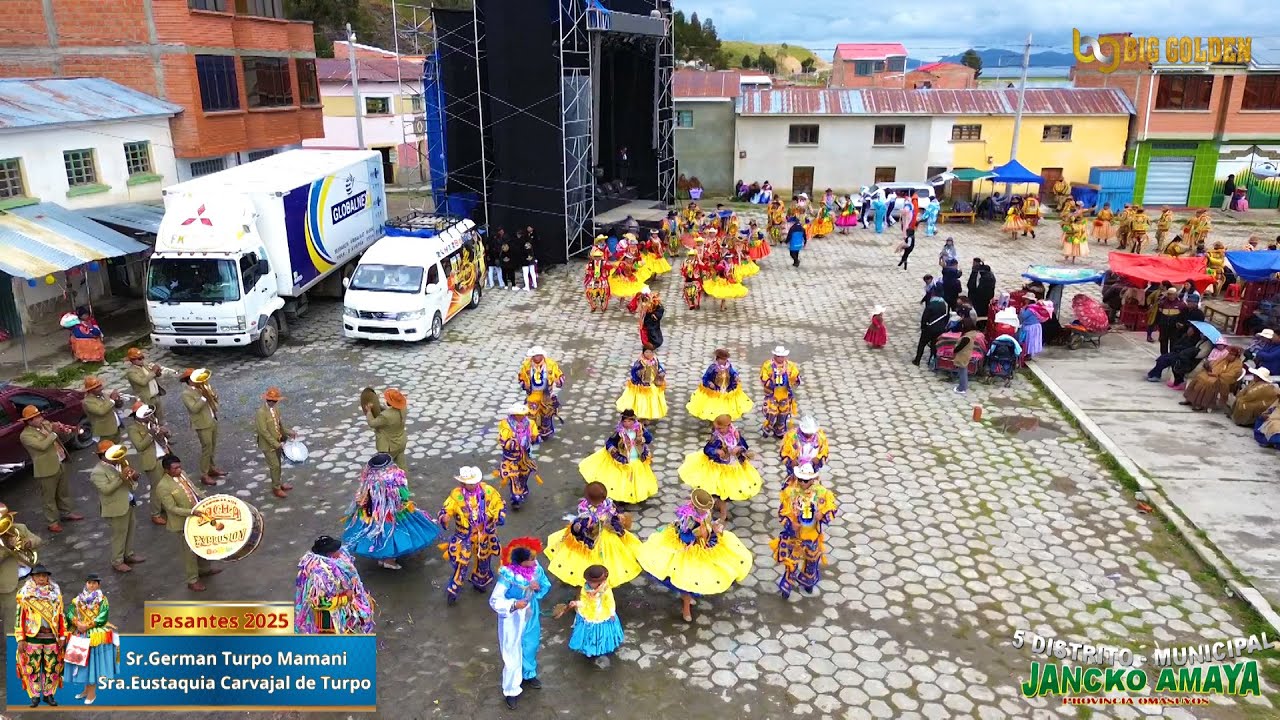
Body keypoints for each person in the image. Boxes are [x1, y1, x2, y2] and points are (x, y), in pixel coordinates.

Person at [637, 489, 753, 622]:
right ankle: (686, 607)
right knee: (687, 577)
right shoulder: (689, 518)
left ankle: (687, 596)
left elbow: (708, 524)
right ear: (696, 506)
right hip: (688, 549)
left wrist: (714, 528)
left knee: (696, 577)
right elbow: (684, 534)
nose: (706, 510)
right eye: (703, 508)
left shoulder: (706, 513)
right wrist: (695, 535)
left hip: (704, 545)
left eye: (707, 508)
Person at [342, 453, 440, 571]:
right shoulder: (393, 477)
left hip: (371, 511)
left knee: (378, 533)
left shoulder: (369, 476)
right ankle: (389, 560)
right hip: (391, 511)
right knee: (391, 534)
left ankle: (382, 558)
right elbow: (402, 495)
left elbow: (363, 493)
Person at [490, 537, 551, 709]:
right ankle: (511, 690)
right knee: (511, 653)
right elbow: (494, 600)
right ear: (519, 560)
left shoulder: (536, 568)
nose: (534, 561)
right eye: (530, 559)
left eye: (534, 557)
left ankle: (528, 673)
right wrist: (514, 605)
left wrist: (538, 587)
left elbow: (545, 584)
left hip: (531, 613)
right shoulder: (507, 577)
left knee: (530, 645)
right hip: (512, 619)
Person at [545, 482, 642, 587]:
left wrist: (616, 518)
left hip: (604, 534)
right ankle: (597, 573)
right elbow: (583, 525)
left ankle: (601, 573)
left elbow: (613, 513)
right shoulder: (590, 508)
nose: (600, 503)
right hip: (594, 536)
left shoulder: (603, 504)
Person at [770, 463, 838, 599]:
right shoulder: (790, 492)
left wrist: (822, 514)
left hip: (812, 535)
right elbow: (782, 513)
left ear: (812, 479)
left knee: (812, 560)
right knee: (792, 561)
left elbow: (832, 508)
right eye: (800, 479)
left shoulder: (822, 492)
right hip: (795, 536)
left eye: (805, 480)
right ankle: (787, 587)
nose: (802, 483)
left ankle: (808, 582)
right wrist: (791, 523)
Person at [155, 454, 221, 591]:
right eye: (175, 468)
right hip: (183, 522)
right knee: (189, 552)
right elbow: (172, 508)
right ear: (166, 470)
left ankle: (204, 569)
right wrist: (192, 512)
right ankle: (192, 580)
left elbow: (193, 490)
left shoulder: (183, 474)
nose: (179, 470)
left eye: (179, 467)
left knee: (202, 544)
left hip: (197, 517)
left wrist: (206, 500)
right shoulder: (163, 486)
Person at [294, 535, 377, 634]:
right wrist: (346, 597)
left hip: (343, 613)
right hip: (328, 619)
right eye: (336, 549)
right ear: (329, 553)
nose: (340, 551)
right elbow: (318, 602)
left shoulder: (336, 564)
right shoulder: (320, 575)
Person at [19, 406, 82, 533]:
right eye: (36, 417)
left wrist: (66, 429)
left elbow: (57, 432)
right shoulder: (25, 435)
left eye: (39, 415)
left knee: (63, 492)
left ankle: (66, 513)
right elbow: (42, 446)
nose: (41, 418)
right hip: (45, 469)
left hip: (59, 461)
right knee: (49, 498)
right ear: (29, 421)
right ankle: (52, 522)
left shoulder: (45, 424)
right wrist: (54, 433)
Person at [577, 409, 658, 504]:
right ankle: (622, 495)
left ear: (634, 421)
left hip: (637, 456)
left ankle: (636, 493)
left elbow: (649, 439)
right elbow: (610, 442)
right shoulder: (619, 432)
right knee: (623, 479)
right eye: (625, 421)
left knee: (636, 478)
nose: (627, 424)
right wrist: (612, 449)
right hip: (624, 457)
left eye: (629, 421)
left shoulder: (640, 429)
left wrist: (642, 439)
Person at [679, 413, 762, 503]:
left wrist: (739, 448)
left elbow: (744, 444)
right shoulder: (716, 436)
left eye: (721, 428)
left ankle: (722, 503)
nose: (718, 430)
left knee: (729, 487)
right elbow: (707, 449)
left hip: (733, 465)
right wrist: (716, 451)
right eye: (717, 428)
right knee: (718, 487)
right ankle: (720, 506)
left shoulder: (735, 434)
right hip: (718, 466)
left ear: (728, 426)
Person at [15, 564, 66, 707]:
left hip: (52, 637)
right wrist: (21, 638)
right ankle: (35, 696)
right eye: (38, 576)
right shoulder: (25, 594)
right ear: (33, 577)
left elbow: (61, 616)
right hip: (32, 637)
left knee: (52, 667)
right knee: (32, 667)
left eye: (44, 576)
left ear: (48, 577)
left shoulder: (55, 594)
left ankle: (48, 695)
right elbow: (19, 617)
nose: (42, 578)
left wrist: (62, 636)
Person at [62, 573, 116, 705]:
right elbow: (70, 613)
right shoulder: (77, 600)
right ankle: (86, 690)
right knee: (82, 664)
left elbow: (103, 616)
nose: (91, 585)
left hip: (94, 636)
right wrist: (77, 623)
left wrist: (87, 625)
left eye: (94, 583)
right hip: (80, 634)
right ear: (86, 584)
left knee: (92, 665)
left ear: (98, 585)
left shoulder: (102, 600)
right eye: (89, 583)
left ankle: (92, 693)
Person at [90, 441, 143, 573]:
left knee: (130, 529)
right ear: (102, 455)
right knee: (119, 535)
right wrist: (121, 477)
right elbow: (106, 490)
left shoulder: (120, 463)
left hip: (128, 502)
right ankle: (117, 561)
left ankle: (128, 554)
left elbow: (130, 482)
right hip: (115, 507)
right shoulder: (97, 472)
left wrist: (134, 478)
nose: (116, 456)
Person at [565, 564, 624, 665]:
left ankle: (601, 648)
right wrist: (576, 603)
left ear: (599, 582)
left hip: (602, 614)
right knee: (589, 634)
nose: (589, 583)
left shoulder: (606, 590)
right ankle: (590, 649)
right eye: (588, 581)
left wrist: (611, 613)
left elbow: (610, 602)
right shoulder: (585, 589)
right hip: (588, 613)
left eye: (591, 582)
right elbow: (585, 602)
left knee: (602, 633)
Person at [127, 403, 169, 526]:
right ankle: (155, 514)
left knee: (166, 485)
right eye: (145, 414)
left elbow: (165, 437)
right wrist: (150, 434)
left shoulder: (152, 421)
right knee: (157, 488)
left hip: (164, 455)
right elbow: (140, 446)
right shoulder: (133, 429)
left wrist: (165, 432)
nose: (149, 416)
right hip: (152, 461)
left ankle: (164, 506)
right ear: (137, 416)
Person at [181, 368, 224, 486]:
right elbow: (194, 409)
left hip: (212, 419)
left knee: (212, 446)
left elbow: (215, 399)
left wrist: (212, 394)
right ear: (189, 380)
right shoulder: (186, 394)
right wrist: (204, 397)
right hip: (202, 424)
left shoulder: (203, 387)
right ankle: (204, 474)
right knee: (206, 448)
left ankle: (211, 468)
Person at [687, 348, 754, 422]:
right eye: (722, 359)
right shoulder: (713, 368)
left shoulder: (728, 366)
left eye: (725, 359)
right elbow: (705, 378)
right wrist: (709, 383)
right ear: (718, 359)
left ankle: (725, 415)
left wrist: (735, 376)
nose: (724, 361)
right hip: (716, 390)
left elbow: (732, 372)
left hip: (726, 388)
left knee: (726, 402)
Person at [497, 403, 540, 510]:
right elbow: (503, 440)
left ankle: (522, 487)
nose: (521, 416)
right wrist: (512, 443)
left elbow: (535, 436)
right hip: (511, 458)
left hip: (525, 456)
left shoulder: (530, 423)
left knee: (524, 474)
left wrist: (533, 438)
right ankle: (515, 497)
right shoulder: (505, 424)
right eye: (518, 414)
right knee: (513, 476)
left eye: (523, 414)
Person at [256, 387, 296, 499]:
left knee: (278, 464)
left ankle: (278, 483)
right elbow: (263, 432)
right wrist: (276, 444)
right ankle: (276, 488)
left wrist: (288, 432)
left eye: (274, 401)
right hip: (268, 445)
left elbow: (279, 425)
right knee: (274, 466)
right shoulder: (261, 413)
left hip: (277, 442)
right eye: (270, 400)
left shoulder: (276, 409)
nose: (272, 403)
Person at [519, 346, 565, 441]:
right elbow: (521, 378)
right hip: (533, 394)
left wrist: (559, 382)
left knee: (546, 414)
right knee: (531, 414)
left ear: (542, 355)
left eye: (538, 355)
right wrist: (524, 385)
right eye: (535, 356)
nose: (536, 358)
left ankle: (545, 433)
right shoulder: (526, 365)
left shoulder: (551, 364)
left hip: (546, 395)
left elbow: (560, 375)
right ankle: (532, 434)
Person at [1182, 346, 1244, 412]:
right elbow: (1214, 364)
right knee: (1199, 377)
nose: (1229, 356)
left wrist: (1217, 375)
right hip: (1213, 374)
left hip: (1224, 380)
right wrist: (1209, 368)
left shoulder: (1238, 365)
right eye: (1229, 354)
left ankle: (1203, 404)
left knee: (1208, 383)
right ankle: (1190, 399)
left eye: (1232, 355)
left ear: (1236, 356)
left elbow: (1231, 375)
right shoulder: (1224, 359)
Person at [759, 345, 802, 438]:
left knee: (783, 414)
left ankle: (779, 430)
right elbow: (763, 377)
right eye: (778, 356)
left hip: (785, 394)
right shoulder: (768, 365)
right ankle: (767, 427)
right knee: (771, 413)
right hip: (772, 394)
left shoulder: (790, 365)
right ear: (775, 355)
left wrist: (789, 375)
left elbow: (796, 377)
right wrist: (772, 379)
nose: (780, 358)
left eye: (782, 356)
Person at [616, 346, 667, 421]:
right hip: (641, 386)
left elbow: (659, 367)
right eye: (647, 352)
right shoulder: (640, 362)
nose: (649, 354)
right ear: (643, 353)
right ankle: (641, 417)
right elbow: (633, 372)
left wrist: (661, 372)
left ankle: (647, 417)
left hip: (652, 384)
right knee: (642, 402)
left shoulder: (655, 360)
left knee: (651, 402)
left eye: (650, 352)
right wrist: (640, 373)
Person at [364, 388, 408, 469]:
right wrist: (377, 406)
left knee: (385, 469)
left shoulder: (385, 416)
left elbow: (372, 423)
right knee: (402, 466)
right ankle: (404, 477)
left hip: (389, 446)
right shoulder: (403, 408)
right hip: (401, 442)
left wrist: (369, 411)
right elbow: (390, 412)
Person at [779, 416, 829, 485]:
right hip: (796, 466)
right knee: (792, 484)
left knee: (812, 486)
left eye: (811, 433)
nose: (809, 435)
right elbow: (784, 452)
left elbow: (824, 451)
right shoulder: (792, 436)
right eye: (807, 433)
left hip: (811, 468)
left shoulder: (820, 437)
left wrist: (819, 459)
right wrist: (791, 461)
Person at [124, 348, 167, 422]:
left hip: (156, 395)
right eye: (139, 359)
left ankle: (161, 426)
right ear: (132, 360)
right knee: (150, 418)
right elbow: (142, 382)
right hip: (146, 399)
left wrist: (158, 371)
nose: (142, 360)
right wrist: (153, 372)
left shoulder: (145, 365)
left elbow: (155, 375)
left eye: (142, 357)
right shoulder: (131, 372)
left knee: (160, 417)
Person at [81, 375, 123, 445]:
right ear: (91, 390)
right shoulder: (87, 402)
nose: (102, 388)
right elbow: (101, 411)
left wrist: (118, 400)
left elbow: (112, 406)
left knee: (119, 448)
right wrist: (112, 399)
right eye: (98, 387)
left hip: (115, 428)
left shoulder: (102, 395)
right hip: (105, 433)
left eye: (100, 385)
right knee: (108, 450)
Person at [914, 295, 950, 366]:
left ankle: (917, 360)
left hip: (930, 328)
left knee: (922, 343)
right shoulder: (945, 306)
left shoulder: (931, 305)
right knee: (934, 345)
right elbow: (947, 318)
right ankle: (931, 361)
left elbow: (924, 318)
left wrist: (923, 327)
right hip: (940, 329)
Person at [952, 317, 981, 395]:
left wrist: (954, 350)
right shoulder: (972, 333)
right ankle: (963, 386)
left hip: (963, 355)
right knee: (963, 371)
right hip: (966, 354)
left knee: (962, 372)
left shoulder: (967, 337)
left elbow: (959, 347)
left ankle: (962, 388)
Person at [1153, 288, 1185, 354]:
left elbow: (1184, 316)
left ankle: (1171, 356)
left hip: (1174, 327)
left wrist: (1181, 324)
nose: (1170, 296)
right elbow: (1159, 314)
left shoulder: (1181, 304)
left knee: (1173, 342)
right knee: (1163, 342)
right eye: (1169, 294)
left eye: (1172, 294)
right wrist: (1157, 323)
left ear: (1176, 295)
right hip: (1164, 326)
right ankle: (1163, 356)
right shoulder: (1162, 302)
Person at [584, 248, 612, 312]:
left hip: (602, 278)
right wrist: (591, 273)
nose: (597, 258)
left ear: (601, 257)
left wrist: (607, 273)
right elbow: (587, 271)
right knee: (589, 290)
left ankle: (603, 304)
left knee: (604, 290)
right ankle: (593, 305)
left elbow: (610, 267)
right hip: (593, 279)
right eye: (596, 256)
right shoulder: (590, 264)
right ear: (593, 257)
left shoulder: (604, 263)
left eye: (598, 256)